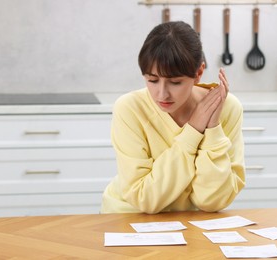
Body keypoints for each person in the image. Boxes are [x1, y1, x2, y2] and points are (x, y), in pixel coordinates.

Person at [101, 21, 245, 214]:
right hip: (130, 216)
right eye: (152, 80)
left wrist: (212, 128)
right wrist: (193, 130)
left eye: (175, 82)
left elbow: (211, 201)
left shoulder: (225, 107)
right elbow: (144, 198)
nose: (162, 94)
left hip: (191, 223)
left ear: (198, 73)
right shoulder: (129, 108)